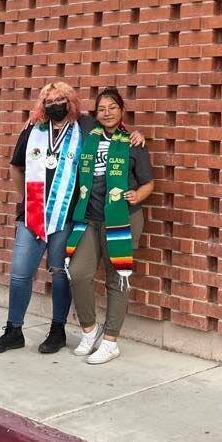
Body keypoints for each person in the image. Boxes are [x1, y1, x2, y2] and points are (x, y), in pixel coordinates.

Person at [0, 81, 143, 355]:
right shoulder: (33, 129)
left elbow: (112, 127)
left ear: (71, 103)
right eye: (49, 100)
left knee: (60, 274)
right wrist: (24, 200)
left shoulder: (83, 127)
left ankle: (57, 331)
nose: (55, 105)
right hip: (32, 214)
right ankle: (13, 330)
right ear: (42, 105)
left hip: (65, 216)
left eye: (61, 100)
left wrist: (135, 135)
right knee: (20, 274)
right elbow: (16, 166)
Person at [66, 88, 154, 364]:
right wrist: (33, 120)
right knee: (78, 273)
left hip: (122, 219)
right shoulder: (88, 132)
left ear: (122, 110)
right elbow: (61, 111)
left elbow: (148, 182)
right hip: (89, 219)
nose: (107, 113)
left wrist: (138, 195)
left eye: (112, 107)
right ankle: (90, 331)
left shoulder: (133, 143)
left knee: (118, 279)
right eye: (102, 108)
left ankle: (110, 341)